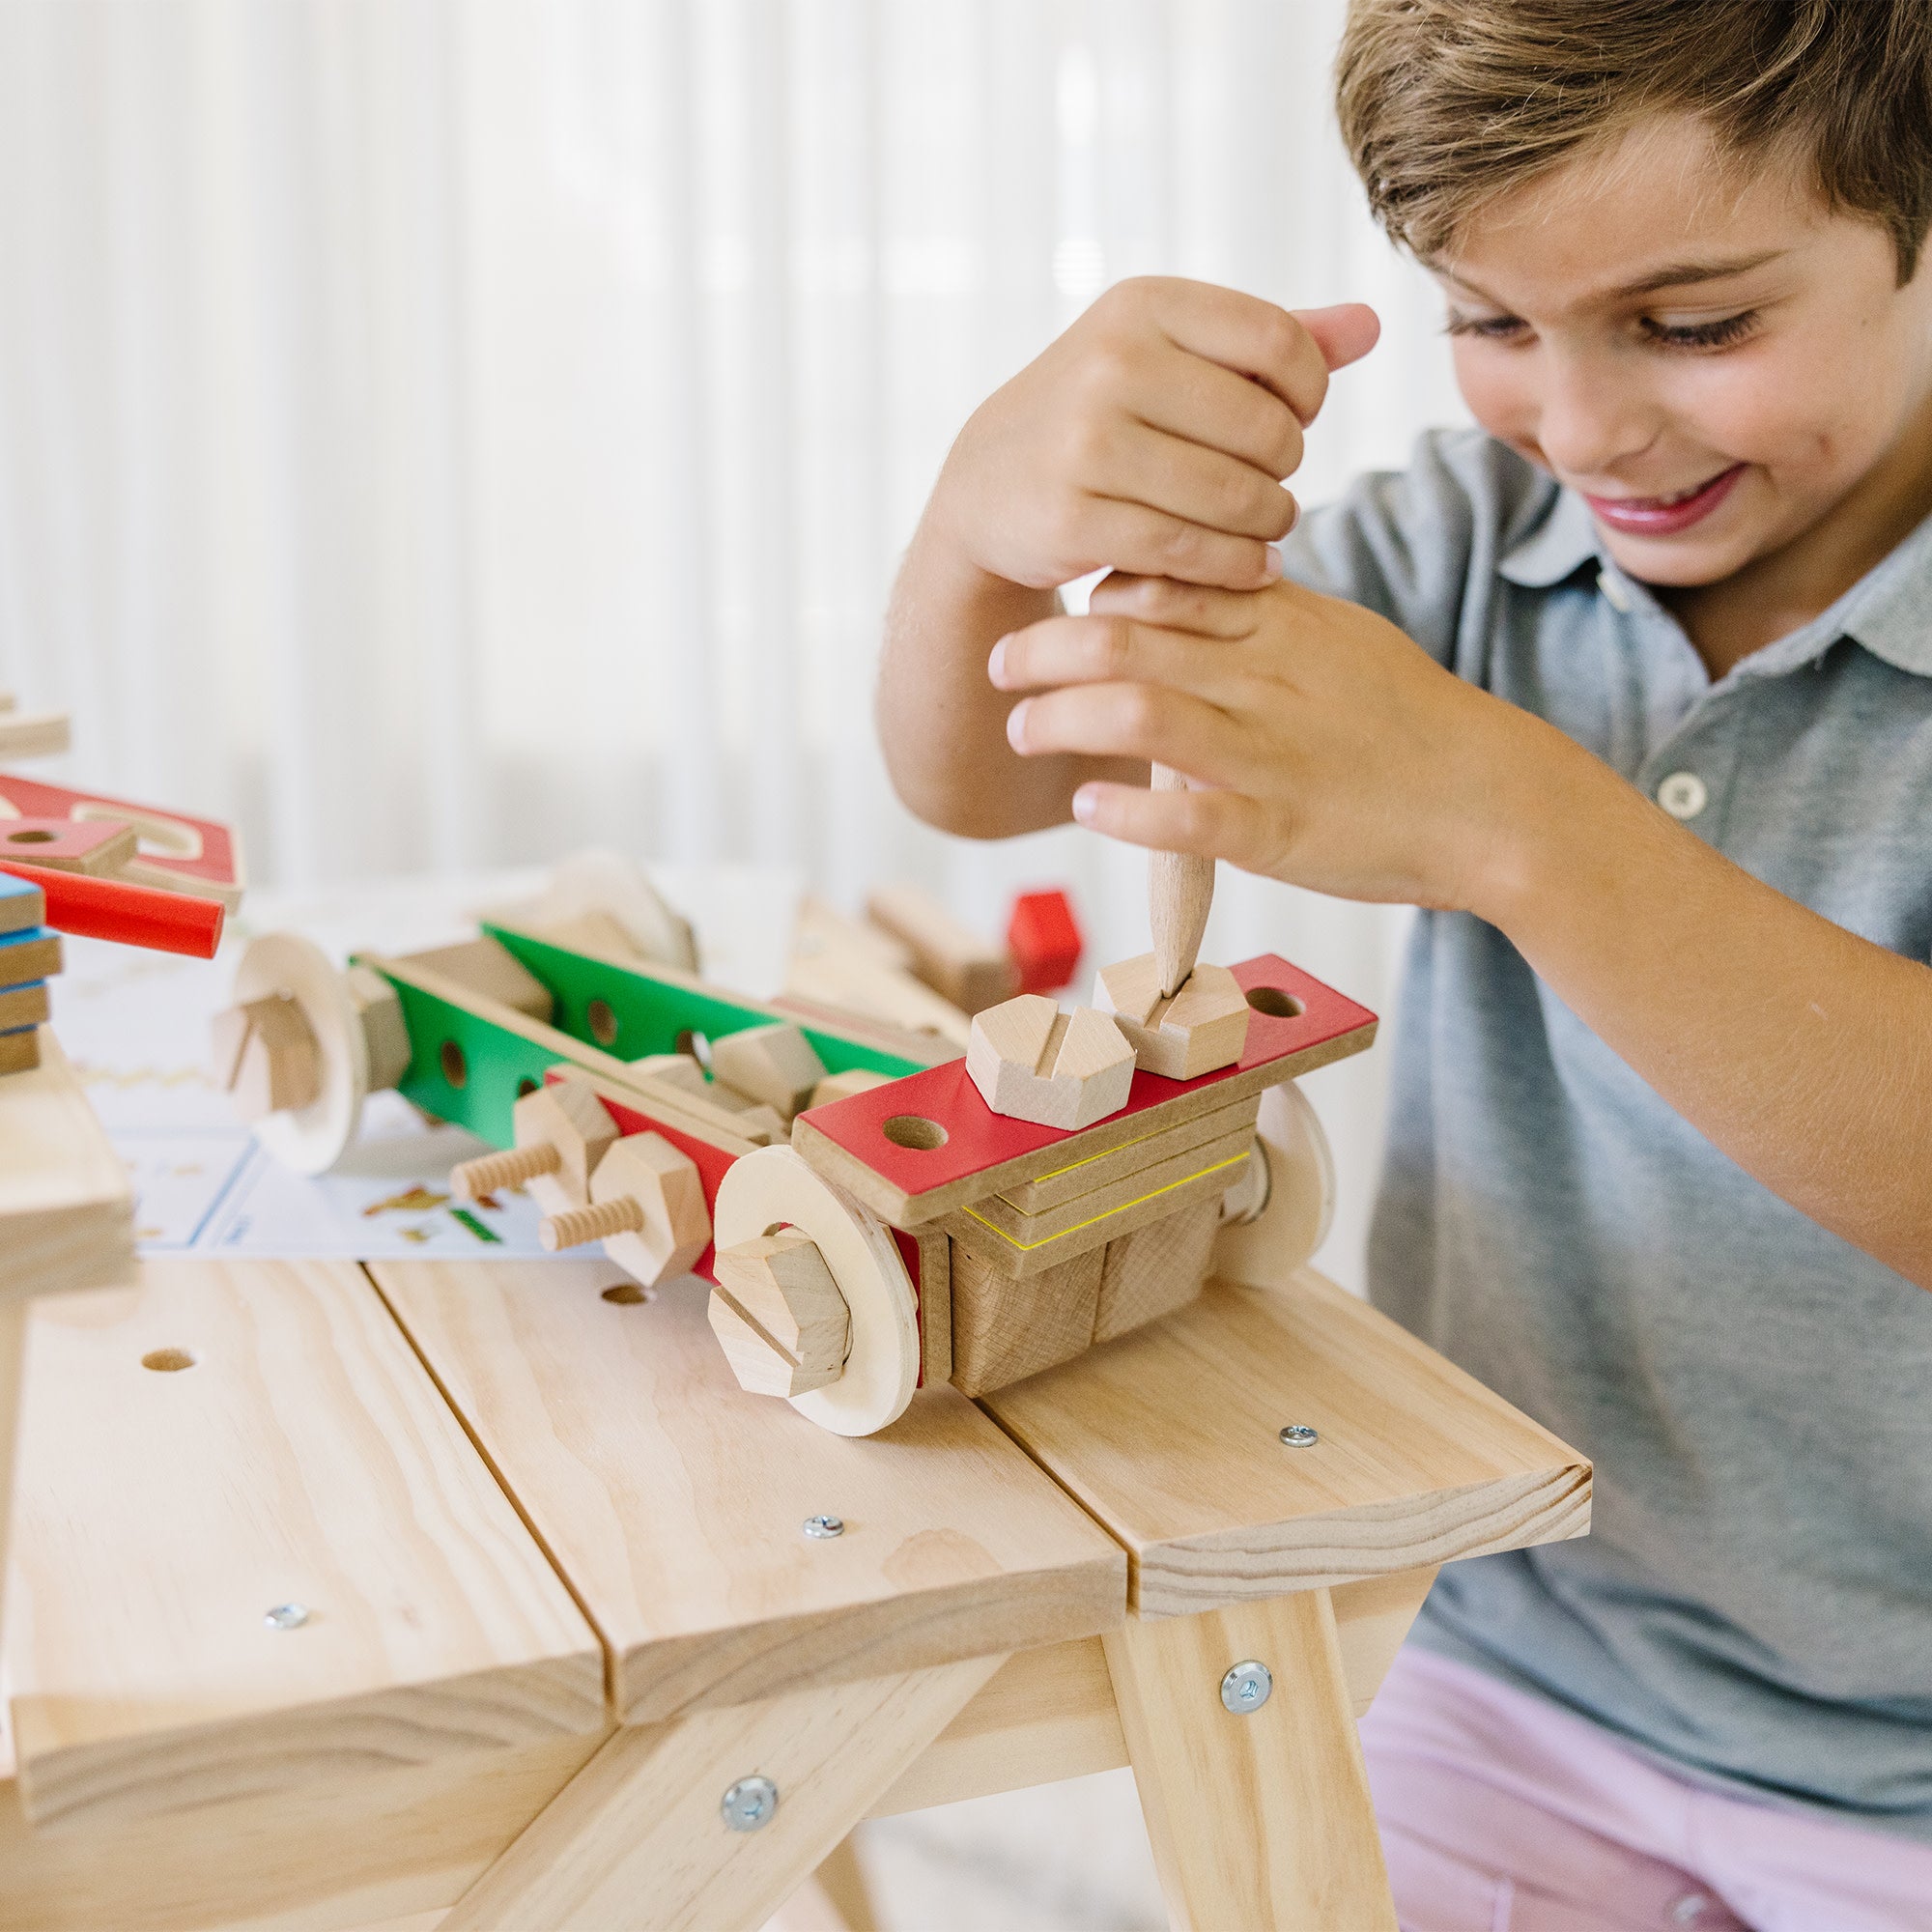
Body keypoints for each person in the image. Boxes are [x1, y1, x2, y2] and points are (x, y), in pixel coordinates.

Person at [875, 3, 1932, 1926]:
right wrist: (981, 519)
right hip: (1521, 1663)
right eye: (1491, 321)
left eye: (1694, 325)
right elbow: (981, 775)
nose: (1583, 426)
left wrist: (1503, 818)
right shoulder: (1469, 544)